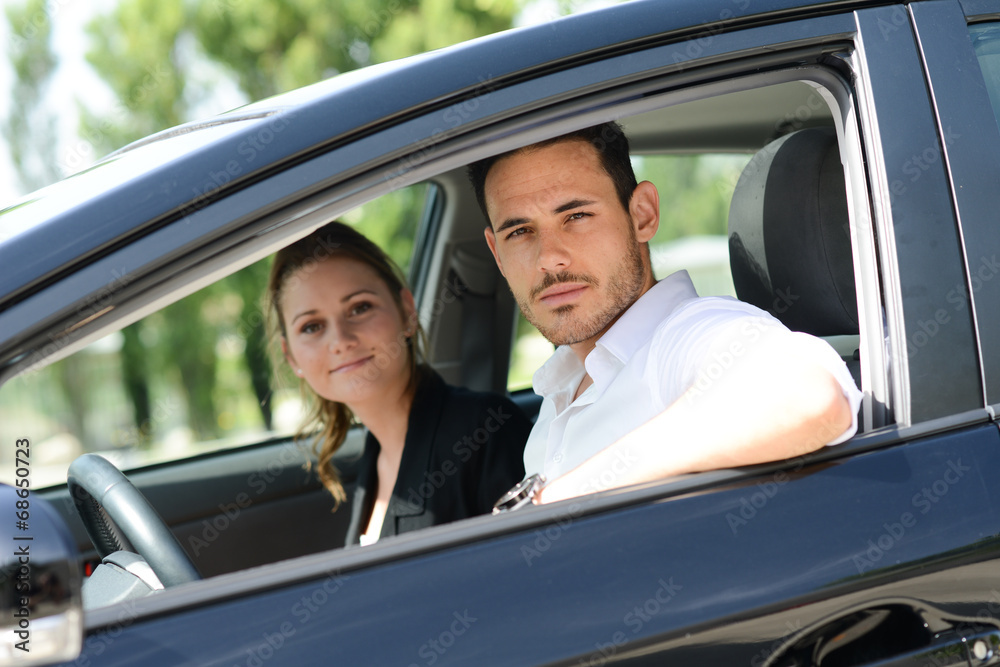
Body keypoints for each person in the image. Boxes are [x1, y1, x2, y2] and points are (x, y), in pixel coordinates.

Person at [468, 122, 863, 505]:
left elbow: (809, 397)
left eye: (576, 216)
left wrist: (558, 498)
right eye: (519, 232)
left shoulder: (685, 336)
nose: (549, 258)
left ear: (642, 215)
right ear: (496, 253)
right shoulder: (560, 390)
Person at [266, 222, 531, 545]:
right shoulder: (374, 460)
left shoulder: (488, 432)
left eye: (359, 308)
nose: (341, 340)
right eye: (311, 327)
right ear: (291, 357)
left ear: (407, 311)